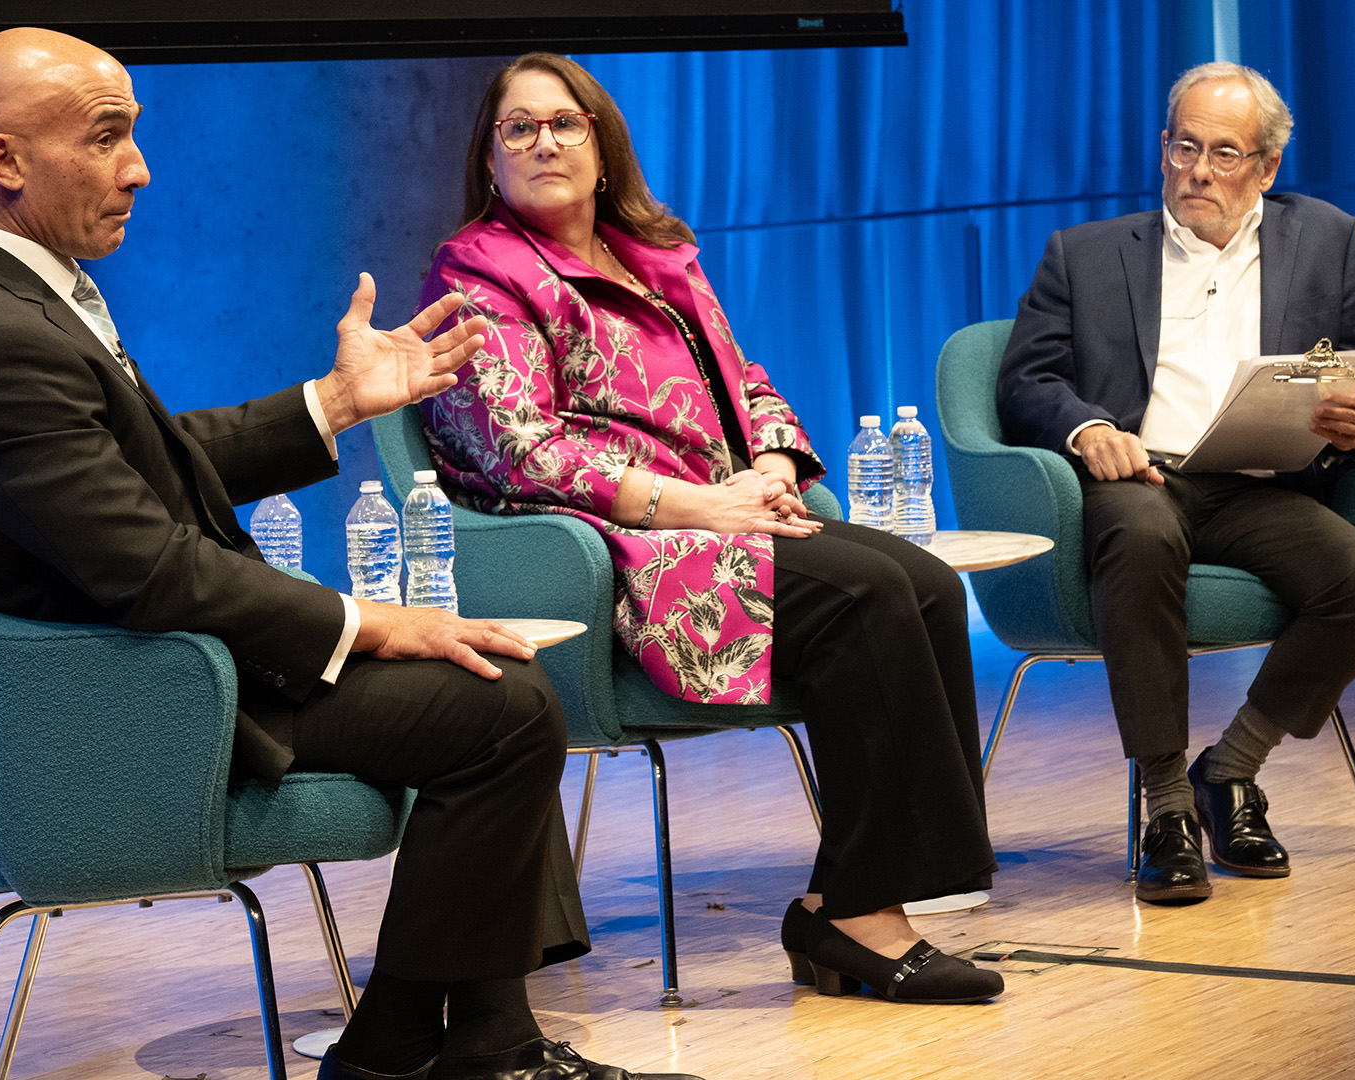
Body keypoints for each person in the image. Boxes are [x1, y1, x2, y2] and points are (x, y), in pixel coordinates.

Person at [0, 28, 699, 1080]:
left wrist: (337, 401)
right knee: (498, 710)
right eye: (107, 138)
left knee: (497, 682)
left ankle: (475, 1043)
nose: (138, 167)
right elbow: (149, 567)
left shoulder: (22, 296)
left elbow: (158, 470)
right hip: (129, 701)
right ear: (6, 161)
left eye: (135, 133)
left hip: (161, 664)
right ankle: (410, 1047)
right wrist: (374, 625)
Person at [415, 52, 1005, 1006]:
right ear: (490, 160)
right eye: (517, 128)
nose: (543, 143)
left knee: (928, 586)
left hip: (729, 514)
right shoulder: (481, 274)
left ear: (603, 147)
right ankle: (861, 920)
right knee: (866, 597)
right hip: (628, 545)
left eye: (564, 123)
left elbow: (749, 379)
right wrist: (703, 505)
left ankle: (851, 898)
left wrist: (772, 464)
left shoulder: (654, 253)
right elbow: (521, 448)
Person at [996, 62, 1355, 904]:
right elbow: (1024, 380)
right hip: (1143, 477)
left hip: (1261, 488)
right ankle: (1167, 805)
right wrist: (1090, 427)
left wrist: (1348, 427)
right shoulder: (1086, 254)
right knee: (1141, 536)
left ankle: (1232, 769)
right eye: (1184, 147)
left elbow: (1347, 373)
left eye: (1224, 153)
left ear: (1266, 169)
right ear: (1164, 148)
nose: (1199, 171)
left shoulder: (1327, 239)